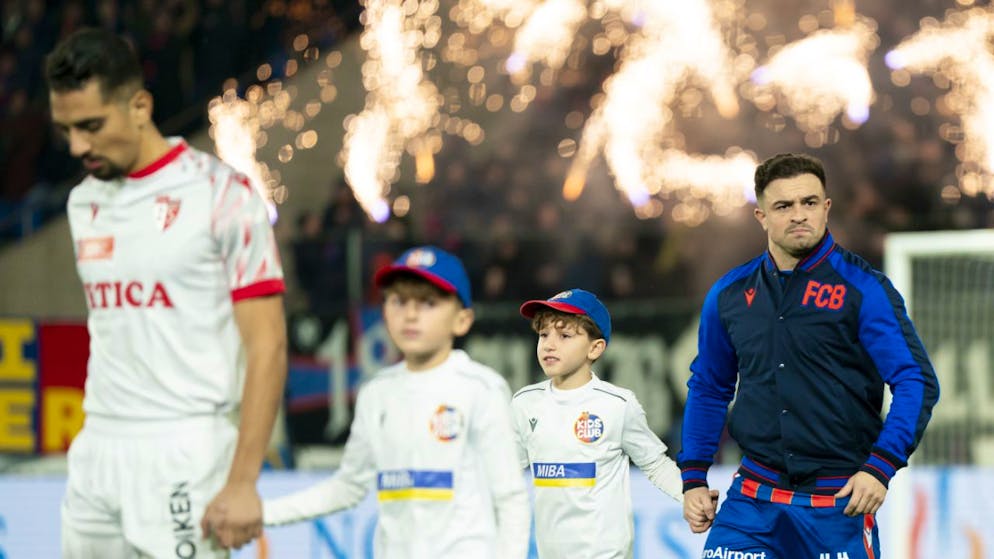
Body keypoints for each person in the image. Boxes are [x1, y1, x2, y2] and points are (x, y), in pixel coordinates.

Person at [46, 28, 288, 557]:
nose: (78, 146)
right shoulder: (81, 203)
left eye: (91, 126)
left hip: (186, 450)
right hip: (97, 449)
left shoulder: (222, 193)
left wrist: (244, 481)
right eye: (66, 130)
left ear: (139, 105)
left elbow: (267, 345)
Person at [678, 153, 940, 557]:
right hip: (751, 503)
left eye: (810, 203)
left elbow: (916, 381)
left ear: (826, 207)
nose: (799, 215)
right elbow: (710, 387)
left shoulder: (864, 289)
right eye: (784, 206)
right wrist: (694, 476)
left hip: (839, 503)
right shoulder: (729, 294)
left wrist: (881, 467)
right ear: (761, 216)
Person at [263, 245, 530, 558]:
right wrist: (262, 513)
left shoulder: (481, 389)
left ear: (462, 319)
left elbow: (511, 499)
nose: (411, 314)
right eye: (398, 300)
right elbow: (348, 486)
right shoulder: (376, 393)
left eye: (428, 302)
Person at [512, 288, 683, 559]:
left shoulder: (617, 404)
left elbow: (655, 464)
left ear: (595, 348)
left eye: (565, 335)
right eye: (544, 334)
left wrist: (694, 499)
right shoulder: (525, 403)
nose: (549, 344)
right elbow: (503, 470)